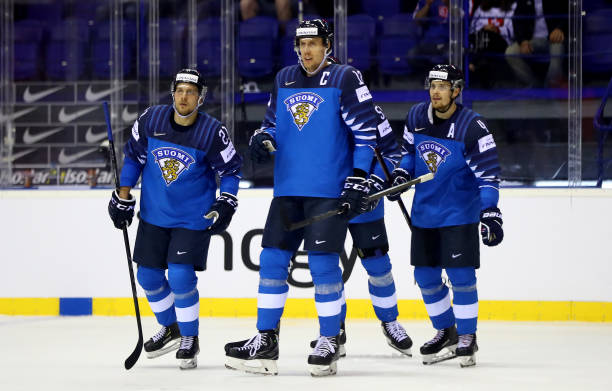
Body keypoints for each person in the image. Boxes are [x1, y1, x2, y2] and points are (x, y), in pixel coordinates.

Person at [224, 19, 379, 377]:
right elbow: (273, 122)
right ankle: (266, 339)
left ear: (327, 45)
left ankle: (328, 339)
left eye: (314, 43)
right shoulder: (284, 78)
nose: (307, 50)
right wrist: (263, 138)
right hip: (288, 187)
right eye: (302, 44)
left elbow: (366, 133)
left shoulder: (345, 77)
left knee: (324, 265)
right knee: (272, 261)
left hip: (328, 189)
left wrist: (358, 177)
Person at [107, 68, 243, 370]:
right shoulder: (151, 120)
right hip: (155, 215)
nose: (184, 96)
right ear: (172, 93)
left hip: (193, 217)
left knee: (180, 276)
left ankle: (189, 339)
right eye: (180, 90)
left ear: (201, 97)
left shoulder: (212, 131)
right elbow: (134, 158)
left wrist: (227, 200)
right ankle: (171, 327)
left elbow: (231, 170)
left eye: (191, 92)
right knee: (148, 277)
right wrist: (124, 194)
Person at [388, 64, 503, 368]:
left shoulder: (472, 126)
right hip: (425, 213)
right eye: (432, 86)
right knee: (425, 277)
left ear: (456, 90)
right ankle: (446, 331)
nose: (435, 92)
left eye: (442, 86)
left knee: (461, 277)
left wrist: (490, 211)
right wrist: (401, 174)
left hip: (459, 214)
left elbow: (489, 176)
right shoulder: (416, 116)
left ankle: (467, 336)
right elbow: (410, 154)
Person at [504, 0, 568, 87]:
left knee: (558, 51)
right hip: (531, 40)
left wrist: (559, 28)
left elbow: (568, 14)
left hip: (552, 39)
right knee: (510, 53)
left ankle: (550, 86)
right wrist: (522, 41)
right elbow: (517, 21)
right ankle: (534, 84)